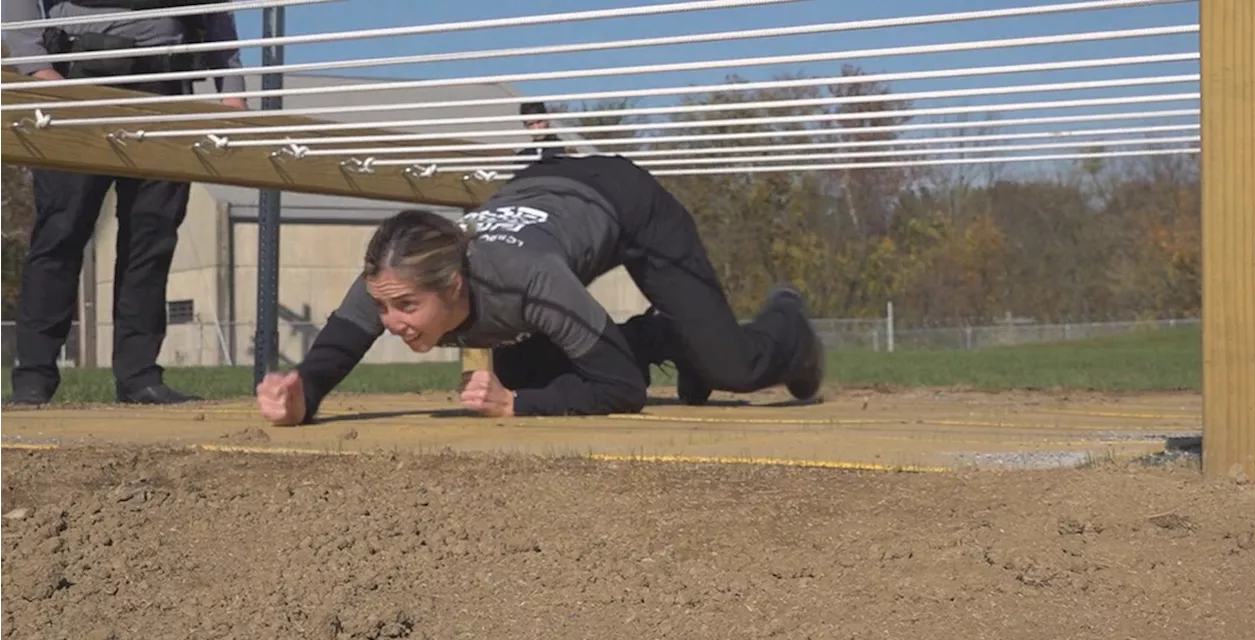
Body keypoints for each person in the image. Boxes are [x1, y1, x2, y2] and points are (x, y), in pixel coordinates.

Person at [255, 154, 824, 425]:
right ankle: (662, 337)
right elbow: (342, 340)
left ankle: (789, 324)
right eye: (384, 305)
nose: (393, 320)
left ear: (453, 285)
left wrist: (517, 406)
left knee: (735, 368)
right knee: (525, 369)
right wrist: (304, 392)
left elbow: (623, 390)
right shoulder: (398, 267)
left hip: (627, 203)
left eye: (407, 307)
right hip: (539, 186)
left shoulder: (527, 280)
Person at [2, 0, 249, 406]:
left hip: (167, 87)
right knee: (61, 233)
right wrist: (38, 71)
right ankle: (33, 378)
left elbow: (217, 11)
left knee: (152, 239)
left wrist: (232, 89)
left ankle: (139, 376)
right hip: (76, 79)